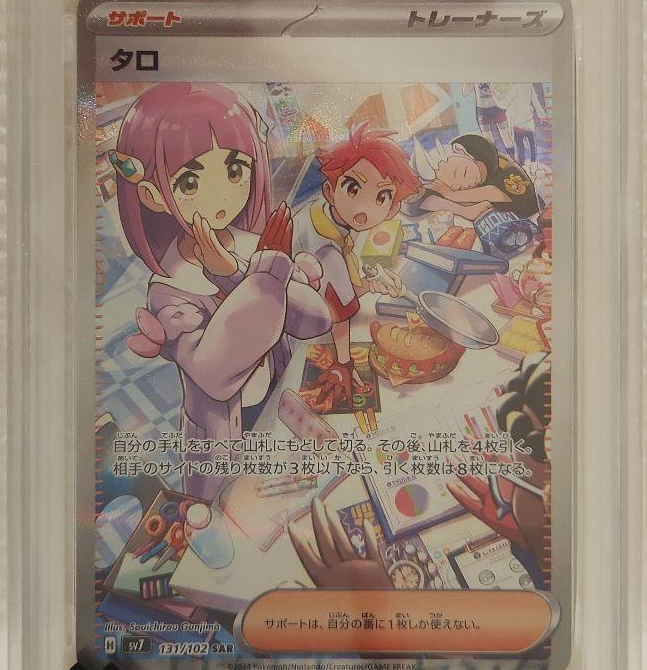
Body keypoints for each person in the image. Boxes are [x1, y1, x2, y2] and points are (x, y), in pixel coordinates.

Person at [110, 83, 332, 499]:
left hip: (280, 409)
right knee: (230, 515)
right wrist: (263, 274)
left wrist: (234, 270)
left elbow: (315, 320)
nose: (222, 194)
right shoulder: (169, 289)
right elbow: (216, 370)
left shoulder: (250, 244)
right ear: (153, 195)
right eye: (191, 181)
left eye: (234, 170)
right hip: (221, 444)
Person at [292, 124, 420, 404]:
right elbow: (339, 312)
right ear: (330, 190)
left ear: (392, 208)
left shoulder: (323, 214)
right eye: (353, 188)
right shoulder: (326, 248)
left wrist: (372, 283)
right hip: (295, 337)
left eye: (381, 196)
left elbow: (339, 288)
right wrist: (343, 364)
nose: (364, 208)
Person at [408, 132, 539, 222]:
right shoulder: (449, 182)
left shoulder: (505, 167)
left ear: (461, 151)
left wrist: (452, 194)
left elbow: (498, 193)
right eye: (458, 187)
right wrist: (464, 210)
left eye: (461, 173)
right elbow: (418, 202)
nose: (465, 185)